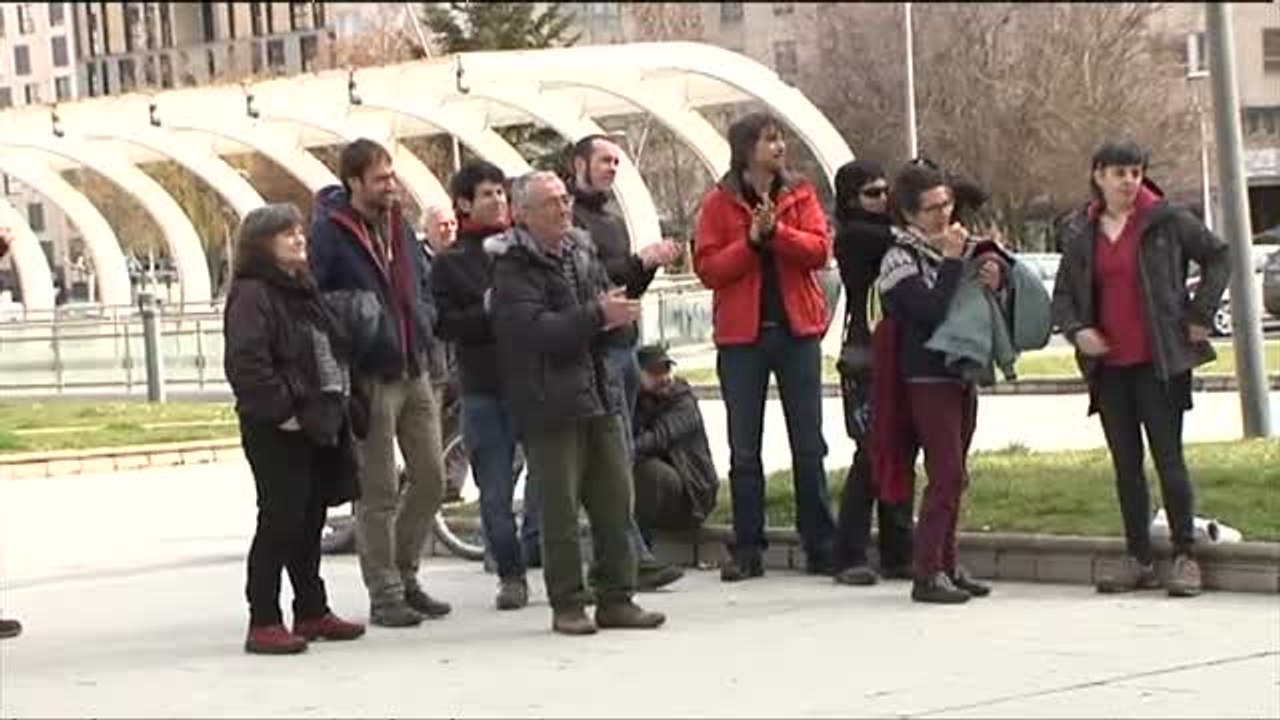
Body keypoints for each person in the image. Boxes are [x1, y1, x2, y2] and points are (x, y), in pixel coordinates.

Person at [490, 170, 665, 636]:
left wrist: (615, 315)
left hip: (600, 389)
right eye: (550, 202)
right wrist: (596, 316)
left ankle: (617, 597)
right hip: (549, 401)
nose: (563, 208)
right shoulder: (512, 267)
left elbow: (599, 301)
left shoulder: (581, 248)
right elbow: (534, 332)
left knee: (614, 499)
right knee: (561, 509)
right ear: (523, 214)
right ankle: (567, 604)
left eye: (565, 198)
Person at [1052, 140, 1229, 598]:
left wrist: (1200, 315)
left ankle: (1185, 556)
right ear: (1098, 176)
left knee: (1169, 460)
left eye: (1135, 172)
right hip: (1110, 367)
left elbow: (1218, 256)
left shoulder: (1167, 220)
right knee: (1126, 465)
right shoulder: (1080, 230)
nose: (1128, 181)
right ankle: (1139, 557)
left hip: (1160, 361)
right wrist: (1077, 330)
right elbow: (1065, 295)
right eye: (1118, 172)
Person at [309, 138, 451, 628]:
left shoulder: (398, 226)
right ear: (354, 183)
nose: (391, 186)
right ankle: (385, 591)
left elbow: (421, 282)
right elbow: (317, 302)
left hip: (415, 366)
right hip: (370, 375)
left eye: (392, 176)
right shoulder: (329, 232)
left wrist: (426, 319)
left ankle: (406, 573)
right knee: (378, 489)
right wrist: (357, 334)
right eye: (380, 179)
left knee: (432, 479)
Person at [693, 111, 836, 582]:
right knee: (744, 448)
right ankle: (748, 546)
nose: (779, 148)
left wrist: (778, 233)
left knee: (809, 442)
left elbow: (818, 250)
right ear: (746, 148)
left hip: (797, 332)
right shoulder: (719, 203)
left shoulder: (800, 193)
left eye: (781, 139)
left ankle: (820, 542)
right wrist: (751, 243)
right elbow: (709, 268)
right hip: (743, 337)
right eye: (769, 140)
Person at [224, 203, 366, 654]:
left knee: (308, 520)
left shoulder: (300, 289)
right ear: (261, 245)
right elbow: (247, 363)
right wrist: (282, 411)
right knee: (280, 520)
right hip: (280, 426)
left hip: (316, 421)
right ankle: (263, 618)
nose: (299, 239)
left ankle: (311, 610)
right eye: (286, 234)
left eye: (299, 232)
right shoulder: (253, 294)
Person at [876, 162, 1002, 604]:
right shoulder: (898, 259)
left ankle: (949, 563)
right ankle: (926, 570)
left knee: (958, 473)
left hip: (961, 370)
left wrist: (989, 272)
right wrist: (950, 263)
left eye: (946, 204)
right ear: (908, 215)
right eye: (931, 209)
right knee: (944, 473)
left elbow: (972, 298)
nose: (943, 215)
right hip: (925, 374)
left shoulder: (956, 246)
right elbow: (928, 310)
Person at [569, 134, 685, 591]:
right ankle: (627, 554)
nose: (612, 167)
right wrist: (636, 261)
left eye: (616, 160)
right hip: (592, 349)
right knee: (604, 457)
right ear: (578, 163)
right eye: (604, 159)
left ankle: (622, 553)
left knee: (616, 454)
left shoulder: (612, 221)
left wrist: (648, 264)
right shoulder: (572, 221)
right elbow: (594, 278)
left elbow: (625, 287)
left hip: (622, 343)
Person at [433, 160, 540, 610]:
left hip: (536, 383)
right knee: (494, 492)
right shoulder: (452, 264)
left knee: (552, 480)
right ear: (464, 204)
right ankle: (510, 573)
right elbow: (444, 324)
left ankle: (543, 556)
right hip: (485, 389)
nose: (498, 201)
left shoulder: (528, 249)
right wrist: (488, 310)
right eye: (487, 194)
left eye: (501, 192)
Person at [829, 160, 914, 586]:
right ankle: (850, 554)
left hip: (896, 351)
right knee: (869, 455)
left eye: (887, 193)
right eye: (873, 194)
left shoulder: (891, 233)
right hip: (864, 354)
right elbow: (889, 240)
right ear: (850, 199)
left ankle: (898, 552)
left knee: (898, 451)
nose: (883, 201)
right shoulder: (854, 237)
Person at [631, 344, 719, 535]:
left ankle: (639, 550)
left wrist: (619, 453)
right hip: (657, 498)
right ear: (638, 376)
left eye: (666, 370)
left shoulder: (683, 401)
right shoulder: (634, 402)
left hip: (692, 497)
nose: (663, 378)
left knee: (646, 470)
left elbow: (658, 439)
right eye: (654, 372)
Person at [420, 203, 467, 503]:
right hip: (431, 362)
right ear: (427, 230)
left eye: (452, 224)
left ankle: (450, 486)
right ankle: (428, 486)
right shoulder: (418, 263)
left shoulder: (460, 260)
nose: (449, 229)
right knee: (429, 431)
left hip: (458, 359)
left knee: (457, 425)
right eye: (442, 225)